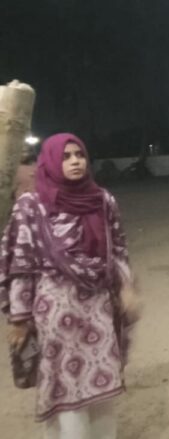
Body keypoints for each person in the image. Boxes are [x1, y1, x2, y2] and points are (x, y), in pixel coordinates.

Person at [0, 133, 138, 439]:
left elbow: (118, 249)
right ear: (49, 161)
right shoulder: (32, 205)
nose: (75, 161)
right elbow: (21, 264)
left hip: (99, 308)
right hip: (56, 309)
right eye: (65, 156)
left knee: (102, 385)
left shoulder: (102, 200)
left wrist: (126, 285)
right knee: (65, 386)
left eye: (79, 155)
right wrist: (19, 318)